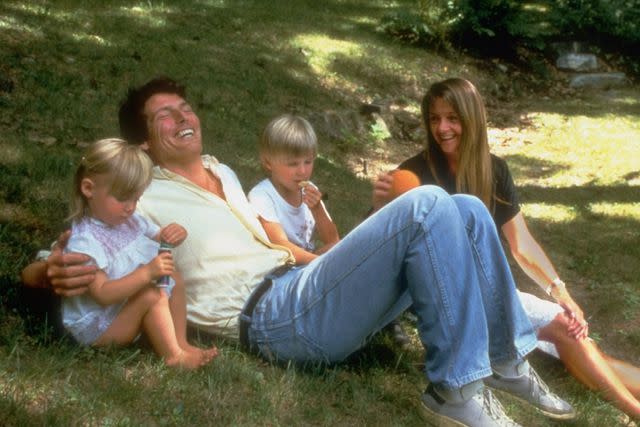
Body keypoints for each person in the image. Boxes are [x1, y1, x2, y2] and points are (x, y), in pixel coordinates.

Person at [41, 77, 577, 426]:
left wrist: (322, 258)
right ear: (141, 143)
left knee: (466, 208)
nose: (184, 117)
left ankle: (504, 358)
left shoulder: (223, 173)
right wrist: (45, 270)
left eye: (186, 107)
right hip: (271, 318)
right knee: (428, 204)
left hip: (300, 287)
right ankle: (455, 391)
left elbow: (272, 243)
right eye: (165, 115)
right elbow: (66, 250)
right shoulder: (141, 193)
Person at [372, 77, 640, 418]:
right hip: (447, 301)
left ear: (472, 119)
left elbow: (522, 243)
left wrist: (560, 290)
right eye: (434, 118)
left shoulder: (493, 170)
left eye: (452, 117)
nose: (442, 128)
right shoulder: (413, 173)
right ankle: (634, 410)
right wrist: (381, 207)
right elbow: (382, 253)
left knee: (572, 331)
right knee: (564, 330)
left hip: (491, 291)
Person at [60, 138, 217, 369]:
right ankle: (173, 356)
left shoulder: (128, 220)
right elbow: (102, 294)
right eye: (123, 198)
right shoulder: (86, 242)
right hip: (100, 325)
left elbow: (159, 235)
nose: (130, 207)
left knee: (174, 278)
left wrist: (175, 233)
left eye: (136, 198)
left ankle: (181, 343)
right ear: (88, 189)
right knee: (152, 295)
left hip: (122, 308)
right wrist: (146, 273)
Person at [248, 114, 339, 265]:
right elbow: (281, 246)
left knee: (340, 248)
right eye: (292, 164)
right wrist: (320, 264)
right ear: (268, 162)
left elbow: (333, 240)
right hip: (280, 270)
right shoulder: (262, 196)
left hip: (307, 264)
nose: (302, 171)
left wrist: (317, 209)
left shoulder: (309, 190)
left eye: (308, 161)